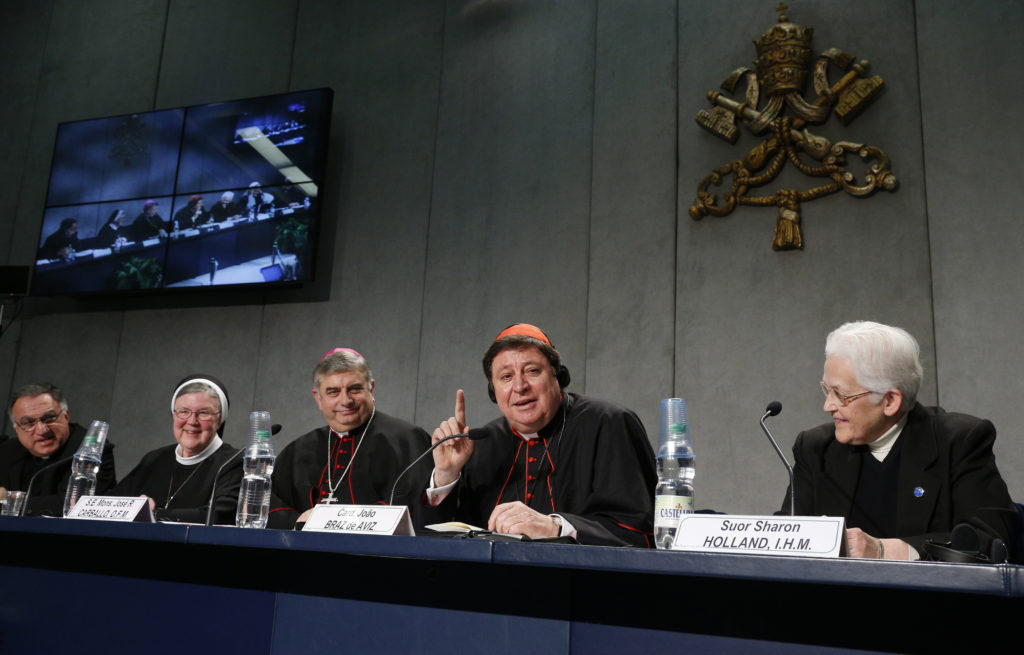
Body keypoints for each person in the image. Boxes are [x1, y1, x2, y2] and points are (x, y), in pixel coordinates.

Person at [780, 321, 1018, 560]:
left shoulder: (958, 442)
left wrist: (886, 551)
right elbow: (784, 538)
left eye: (840, 395)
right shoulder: (815, 448)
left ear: (890, 401)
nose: (828, 406)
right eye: (826, 390)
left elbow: (990, 538)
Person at [424, 324, 657, 547]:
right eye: (506, 377)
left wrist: (555, 527)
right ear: (493, 392)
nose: (520, 386)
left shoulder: (609, 424)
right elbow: (432, 548)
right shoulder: (481, 443)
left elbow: (641, 534)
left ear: (559, 377)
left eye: (532, 371)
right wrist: (446, 476)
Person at [268, 348, 432, 529]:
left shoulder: (406, 439)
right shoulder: (298, 450)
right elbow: (268, 504)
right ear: (318, 398)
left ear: (371, 389)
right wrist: (295, 520)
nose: (345, 400)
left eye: (355, 389)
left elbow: (419, 505)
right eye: (333, 392)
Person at [112, 375, 242, 524]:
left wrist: (153, 514)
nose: (192, 421)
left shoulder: (234, 462)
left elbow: (219, 515)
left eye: (204, 413)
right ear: (174, 414)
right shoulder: (154, 459)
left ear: (219, 420)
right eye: (184, 411)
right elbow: (113, 503)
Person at [1, 383, 116, 516]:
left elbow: (75, 505)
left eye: (49, 418)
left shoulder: (93, 452)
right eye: (28, 423)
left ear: (66, 416)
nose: (42, 430)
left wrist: (9, 501)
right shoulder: (6, 452)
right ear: (17, 428)